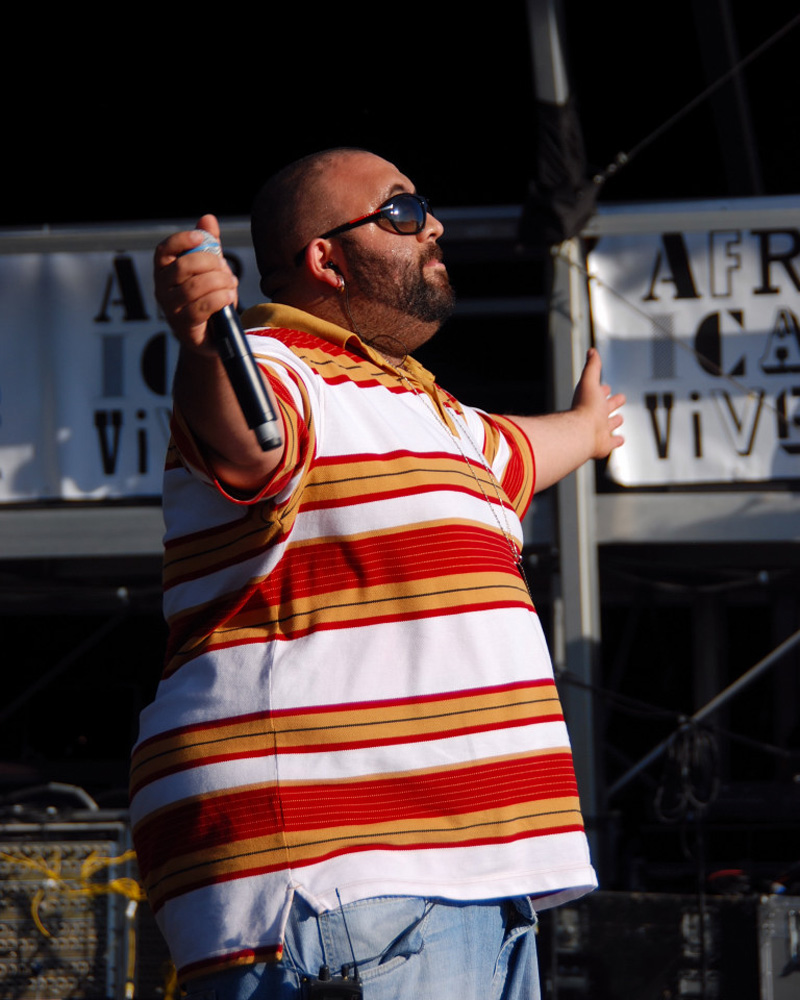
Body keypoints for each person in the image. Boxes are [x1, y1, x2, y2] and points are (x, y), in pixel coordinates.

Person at [130, 148, 624, 1000]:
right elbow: (248, 435)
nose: (433, 226)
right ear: (326, 258)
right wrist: (209, 342)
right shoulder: (281, 369)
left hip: (457, 883)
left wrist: (586, 428)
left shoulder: (434, 416)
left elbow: (520, 449)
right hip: (348, 879)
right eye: (402, 212)